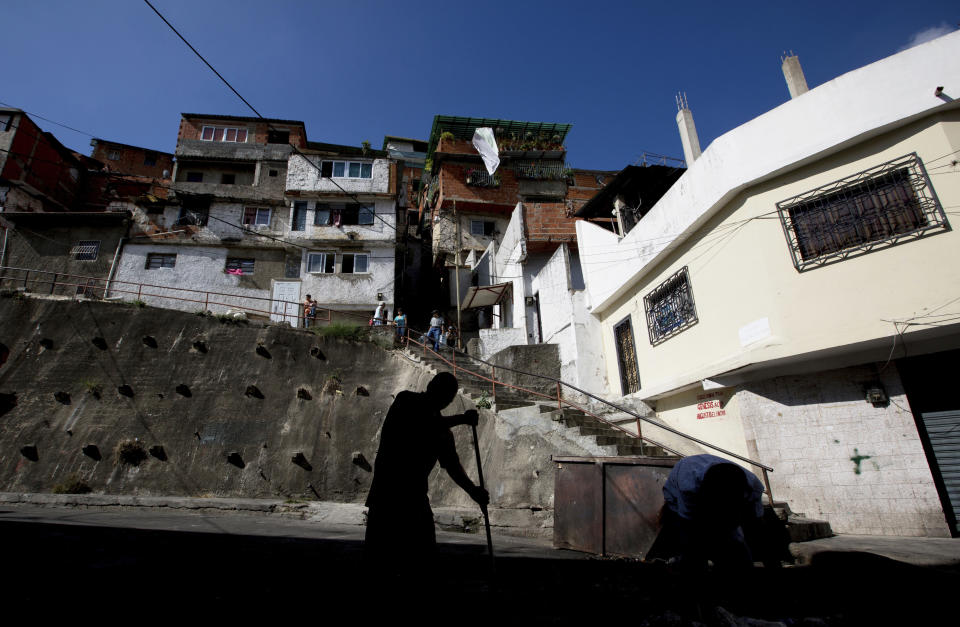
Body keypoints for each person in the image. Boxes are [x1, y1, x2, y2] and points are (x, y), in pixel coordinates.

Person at [365, 372, 489, 569]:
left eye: (448, 396)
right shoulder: (405, 400)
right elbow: (420, 422)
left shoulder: (443, 434)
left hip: (414, 500)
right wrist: (462, 419)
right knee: (380, 561)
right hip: (387, 496)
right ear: (430, 386)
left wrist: (473, 490)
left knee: (423, 562)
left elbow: (453, 466)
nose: (444, 398)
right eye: (442, 392)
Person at [647, 454, 784, 571]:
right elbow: (690, 527)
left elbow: (757, 526)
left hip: (715, 492)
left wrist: (772, 564)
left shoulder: (753, 486)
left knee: (734, 545)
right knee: (692, 546)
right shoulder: (688, 488)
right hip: (680, 495)